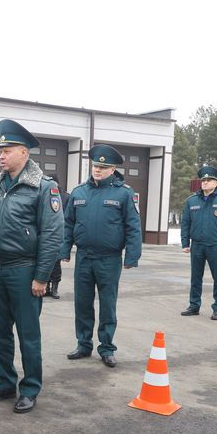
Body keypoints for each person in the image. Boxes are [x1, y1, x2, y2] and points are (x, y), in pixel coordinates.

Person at [0, 120, 63, 414]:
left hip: (25, 271)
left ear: (24, 152)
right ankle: (5, 382)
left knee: (28, 334)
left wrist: (42, 277)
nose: (1, 156)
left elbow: (52, 235)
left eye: (7, 151)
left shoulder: (43, 187)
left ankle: (30, 388)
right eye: (0, 151)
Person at [61, 144, 142, 368]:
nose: (97, 170)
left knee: (107, 304)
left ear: (113, 169)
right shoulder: (79, 192)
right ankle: (83, 344)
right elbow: (68, 224)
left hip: (109, 258)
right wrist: (64, 250)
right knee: (82, 303)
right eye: (95, 166)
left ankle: (106, 348)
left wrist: (132, 256)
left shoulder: (123, 193)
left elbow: (133, 226)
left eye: (103, 167)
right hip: (84, 257)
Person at [180, 165, 217, 320]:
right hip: (197, 245)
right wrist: (185, 243)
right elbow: (185, 223)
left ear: (216, 182)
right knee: (195, 278)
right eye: (203, 180)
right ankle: (194, 306)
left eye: (209, 180)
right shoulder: (192, 201)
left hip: (216, 245)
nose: (205, 182)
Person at [44, 174, 70, 299]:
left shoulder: (66, 197)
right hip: (45, 234)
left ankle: (54, 288)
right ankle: (46, 287)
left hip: (60, 234)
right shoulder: (43, 194)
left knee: (56, 262)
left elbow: (69, 217)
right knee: (45, 262)